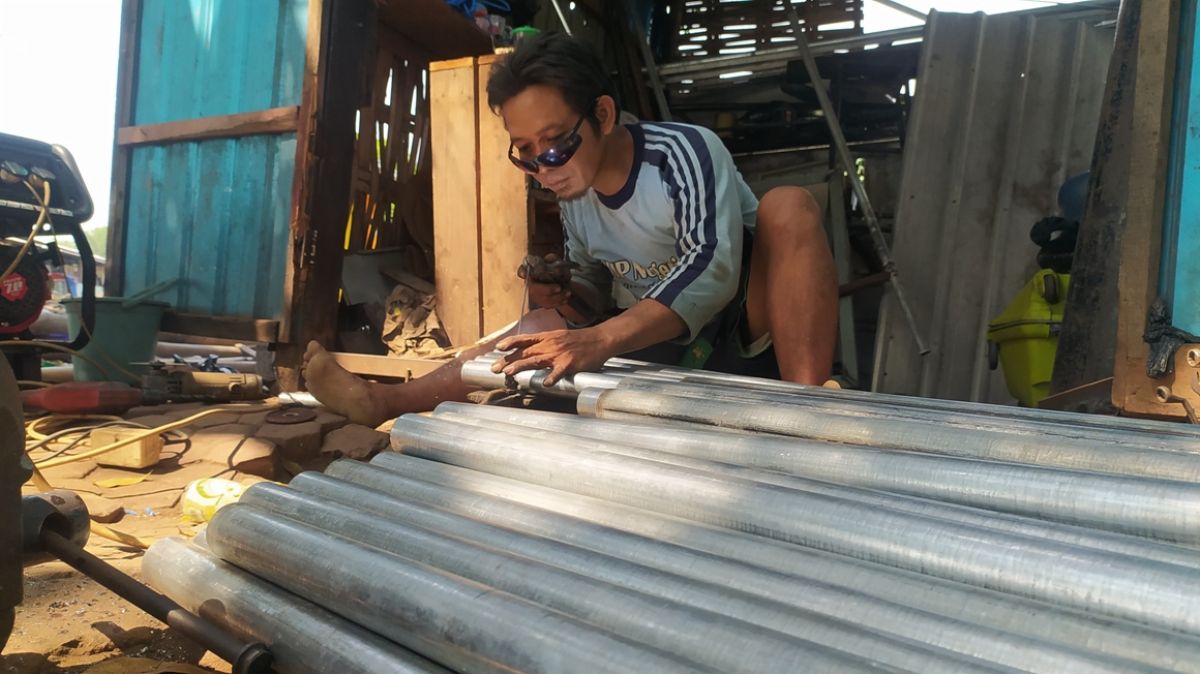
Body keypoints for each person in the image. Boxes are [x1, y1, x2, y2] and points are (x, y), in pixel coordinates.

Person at [302, 32, 837, 427]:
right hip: (665, 341)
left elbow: (713, 268)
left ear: (602, 115)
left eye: (555, 143)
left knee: (789, 206)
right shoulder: (574, 195)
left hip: (748, 325)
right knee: (536, 322)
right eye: (526, 153)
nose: (544, 166)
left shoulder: (683, 152)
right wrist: (565, 294)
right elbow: (594, 289)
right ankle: (386, 402)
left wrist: (599, 338)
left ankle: (808, 410)